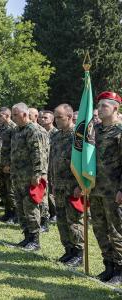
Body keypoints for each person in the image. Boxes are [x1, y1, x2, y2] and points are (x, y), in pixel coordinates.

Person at [76, 91, 122, 283]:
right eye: (99, 105)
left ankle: (120, 270)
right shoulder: (93, 130)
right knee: (100, 229)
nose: (100, 109)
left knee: (117, 230)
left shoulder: (120, 132)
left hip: (113, 191)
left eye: (105, 106)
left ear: (115, 108)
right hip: (95, 188)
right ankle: (108, 266)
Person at [11, 103, 47, 251]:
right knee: (21, 207)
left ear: (24, 115)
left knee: (31, 207)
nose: (13, 118)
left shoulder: (34, 130)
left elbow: (39, 154)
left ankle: (34, 240)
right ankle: (27, 236)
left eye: (15, 115)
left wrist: (37, 174)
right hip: (18, 175)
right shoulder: (17, 130)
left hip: (30, 176)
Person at [50, 104, 83, 267]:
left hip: (72, 186)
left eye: (59, 117)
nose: (56, 121)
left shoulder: (78, 136)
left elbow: (84, 163)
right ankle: (68, 250)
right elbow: (53, 161)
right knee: (62, 220)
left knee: (74, 221)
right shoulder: (56, 136)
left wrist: (80, 185)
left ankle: (78, 252)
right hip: (59, 185)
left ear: (70, 117)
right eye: (55, 117)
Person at [0, 107, 17, 223]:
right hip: (0, 163)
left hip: (8, 165)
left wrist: (9, 164)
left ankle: (15, 214)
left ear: (7, 116)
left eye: (1, 116)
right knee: (3, 190)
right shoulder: (1, 128)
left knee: (11, 191)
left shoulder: (12, 128)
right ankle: (7, 212)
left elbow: (14, 147)